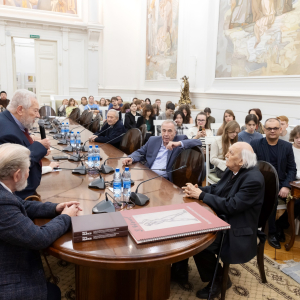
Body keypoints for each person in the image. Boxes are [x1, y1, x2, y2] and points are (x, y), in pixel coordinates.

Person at [180, 142, 264, 299]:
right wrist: (196, 191)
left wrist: (201, 195)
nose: (226, 154)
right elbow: (217, 188)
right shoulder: (233, 169)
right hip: (222, 217)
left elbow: (232, 206)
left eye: (231, 153)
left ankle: (218, 281)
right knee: (186, 225)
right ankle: (179, 270)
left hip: (237, 228)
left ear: (241, 161)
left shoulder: (253, 180)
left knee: (199, 242)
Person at [0, 143, 82, 300]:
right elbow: (39, 239)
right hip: (8, 280)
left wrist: (56, 208)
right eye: (28, 169)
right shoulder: (2, 202)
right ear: (17, 175)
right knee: (53, 293)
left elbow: (21, 204)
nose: (29, 172)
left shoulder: (4, 192)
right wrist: (66, 216)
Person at [250, 118, 297, 249]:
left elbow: (292, 168)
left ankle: (280, 225)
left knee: (298, 200)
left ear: (280, 129)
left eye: (275, 128)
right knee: (272, 198)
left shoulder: (287, 146)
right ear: (264, 129)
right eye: (269, 128)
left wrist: (286, 186)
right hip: (262, 182)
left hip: (282, 183)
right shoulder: (255, 144)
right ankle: (272, 233)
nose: (272, 131)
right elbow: (250, 166)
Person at [0, 89, 50, 199]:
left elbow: (20, 144)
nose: (38, 116)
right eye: (35, 111)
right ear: (20, 110)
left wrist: (31, 140)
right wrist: (39, 147)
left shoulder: (8, 121)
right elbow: (15, 167)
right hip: (20, 198)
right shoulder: (7, 133)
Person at [122, 120, 202, 182]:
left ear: (175, 132)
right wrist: (131, 158)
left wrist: (178, 143)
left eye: (170, 131)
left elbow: (198, 142)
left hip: (165, 179)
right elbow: (140, 152)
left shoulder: (180, 139)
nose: (166, 134)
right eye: (164, 130)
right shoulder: (153, 140)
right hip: (148, 175)